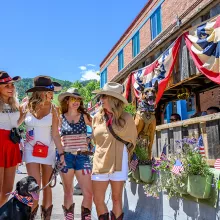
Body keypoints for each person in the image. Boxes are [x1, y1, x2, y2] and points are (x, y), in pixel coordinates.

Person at [91, 82, 137, 220]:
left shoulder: (127, 118)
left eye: (104, 96)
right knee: (98, 200)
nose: (101, 99)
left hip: (119, 161)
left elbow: (132, 140)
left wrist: (130, 158)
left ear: (113, 99)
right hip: (100, 160)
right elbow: (95, 140)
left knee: (117, 199)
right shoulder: (96, 118)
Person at [21, 76, 63, 220]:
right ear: (40, 92)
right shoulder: (26, 106)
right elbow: (15, 123)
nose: (52, 95)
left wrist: (61, 154)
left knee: (47, 186)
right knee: (34, 186)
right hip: (30, 150)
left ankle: (46, 218)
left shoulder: (54, 109)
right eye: (49, 91)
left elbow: (56, 134)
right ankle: (31, 216)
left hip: (48, 150)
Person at [58, 88, 93, 220]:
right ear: (67, 101)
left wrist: (90, 138)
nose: (76, 102)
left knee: (88, 193)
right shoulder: (61, 117)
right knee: (68, 192)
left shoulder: (85, 116)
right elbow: (55, 135)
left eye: (78, 99)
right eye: (73, 99)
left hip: (82, 156)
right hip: (66, 157)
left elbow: (97, 127)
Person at [0, 71, 24, 207]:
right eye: (6, 86)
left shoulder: (15, 103)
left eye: (12, 85)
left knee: (7, 191)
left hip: (12, 143)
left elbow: (14, 124)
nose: (11, 88)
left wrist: (23, 117)